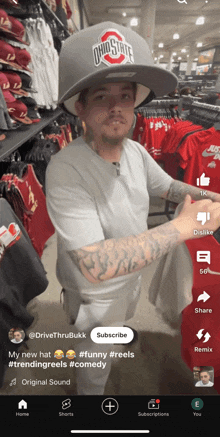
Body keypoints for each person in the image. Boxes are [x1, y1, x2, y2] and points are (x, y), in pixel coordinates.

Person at [46, 22, 220, 395]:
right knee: (94, 368)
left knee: (121, 321)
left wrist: (215, 200)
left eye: (125, 96)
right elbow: (95, 266)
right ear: (79, 105)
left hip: (131, 280)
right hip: (95, 295)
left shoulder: (136, 151)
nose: (116, 108)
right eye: (101, 97)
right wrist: (184, 227)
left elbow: (168, 186)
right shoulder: (65, 168)